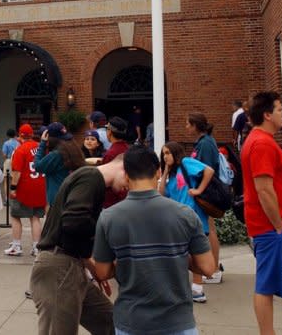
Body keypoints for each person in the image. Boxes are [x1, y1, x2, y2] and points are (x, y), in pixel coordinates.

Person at [94, 146, 215, 335]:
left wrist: (130, 259)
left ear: (126, 175)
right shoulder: (185, 215)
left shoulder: (108, 218)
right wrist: (175, 256)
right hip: (178, 322)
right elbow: (208, 267)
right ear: (158, 172)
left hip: (131, 322)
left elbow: (102, 272)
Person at [29, 151, 129, 335]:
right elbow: (74, 222)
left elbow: (73, 229)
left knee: (111, 322)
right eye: (129, 181)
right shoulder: (91, 178)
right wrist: (106, 236)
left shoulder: (90, 180)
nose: (126, 188)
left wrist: (91, 266)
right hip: (59, 266)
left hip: (71, 265)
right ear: (123, 169)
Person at [240, 92, 282, 335]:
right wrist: (278, 225)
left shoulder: (259, 140)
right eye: (279, 109)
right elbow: (264, 189)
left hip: (270, 226)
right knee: (265, 286)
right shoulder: (262, 143)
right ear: (267, 115)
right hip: (271, 227)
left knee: (266, 284)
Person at [159, 141, 216, 303]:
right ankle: (188, 288)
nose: (165, 156)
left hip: (194, 216)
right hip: (178, 219)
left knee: (196, 253)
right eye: (164, 153)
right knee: (182, 253)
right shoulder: (172, 173)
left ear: (176, 153)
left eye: (168, 153)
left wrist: (199, 190)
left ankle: (198, 289)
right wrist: (164, 172)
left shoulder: (186, 162)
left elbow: (209, 171)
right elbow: (162, 194)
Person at [186, 112, 223, 284]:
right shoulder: (203, 142)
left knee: (209, 230)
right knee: (208, 228)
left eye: (188, 124)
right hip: (203, 192)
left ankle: (213, 268)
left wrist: (199, 189)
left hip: (207, 193)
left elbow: (207, 170)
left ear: (195, 125)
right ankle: (212, 267)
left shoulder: (206, 144)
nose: (186, 127)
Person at [5, 124, 46, 257]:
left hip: (24, 189)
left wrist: (13, 188)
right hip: (40, 186)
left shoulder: (20, 150)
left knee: (15, 216)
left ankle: (16, 246)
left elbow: (16, 172)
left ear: (20, 135)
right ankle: (36, 247)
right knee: (35, 218)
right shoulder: (41, 147)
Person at [33, 122, 85, 206]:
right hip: (72, 195)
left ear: (51, 138)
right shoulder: (74, 150)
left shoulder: (56, 154)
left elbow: (37, 166)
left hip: (59, 198)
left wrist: (42, 143)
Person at [101, 117, 129, 207]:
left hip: (112, 202)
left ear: (109, 132)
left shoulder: (110, 154)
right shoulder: (129, 150)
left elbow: (105, 181)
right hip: (128, 198)